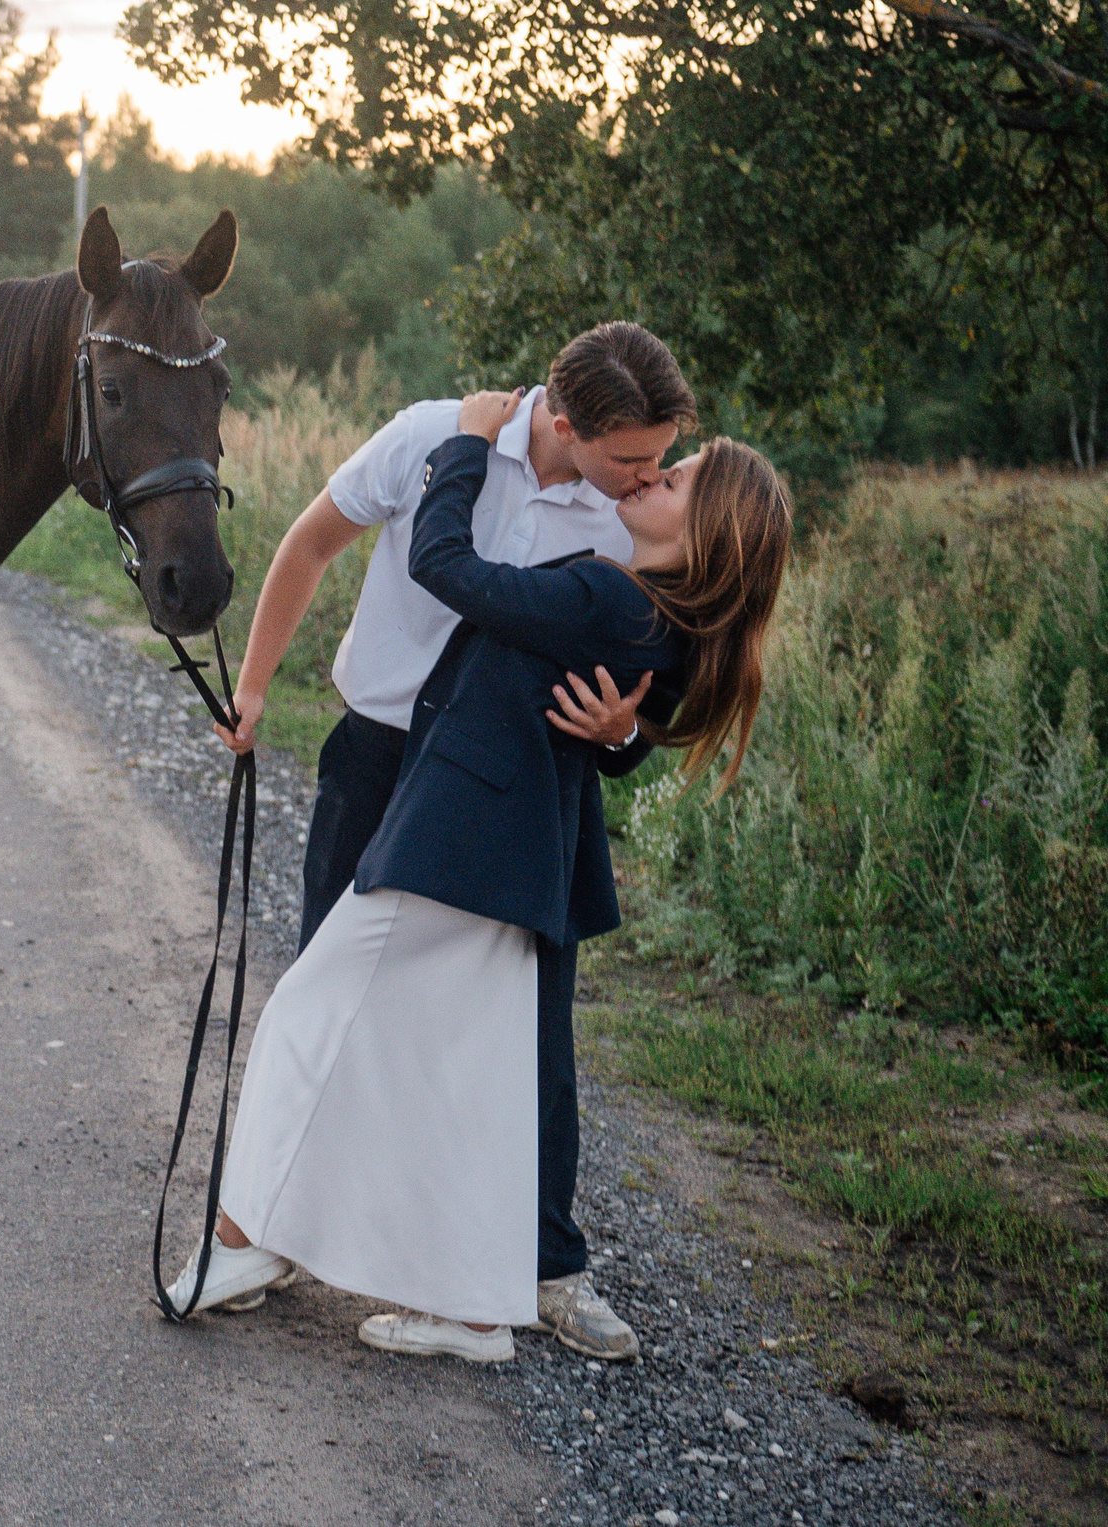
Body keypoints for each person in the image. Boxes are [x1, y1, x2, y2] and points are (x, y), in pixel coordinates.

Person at [168, 390, 790, 1360]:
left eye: (672, 474)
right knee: (458, 1069)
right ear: (576, 421)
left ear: (705, 530)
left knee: (312, 1020)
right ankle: (459, 1305)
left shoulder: (613, 587)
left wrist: (462, 447)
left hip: (464, 833)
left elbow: (446, 566)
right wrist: (625, 724)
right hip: (470, 819)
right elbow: (624, 692)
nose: (650, 474)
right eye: (648, 460)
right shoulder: (634, 596)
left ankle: (251, 1246)